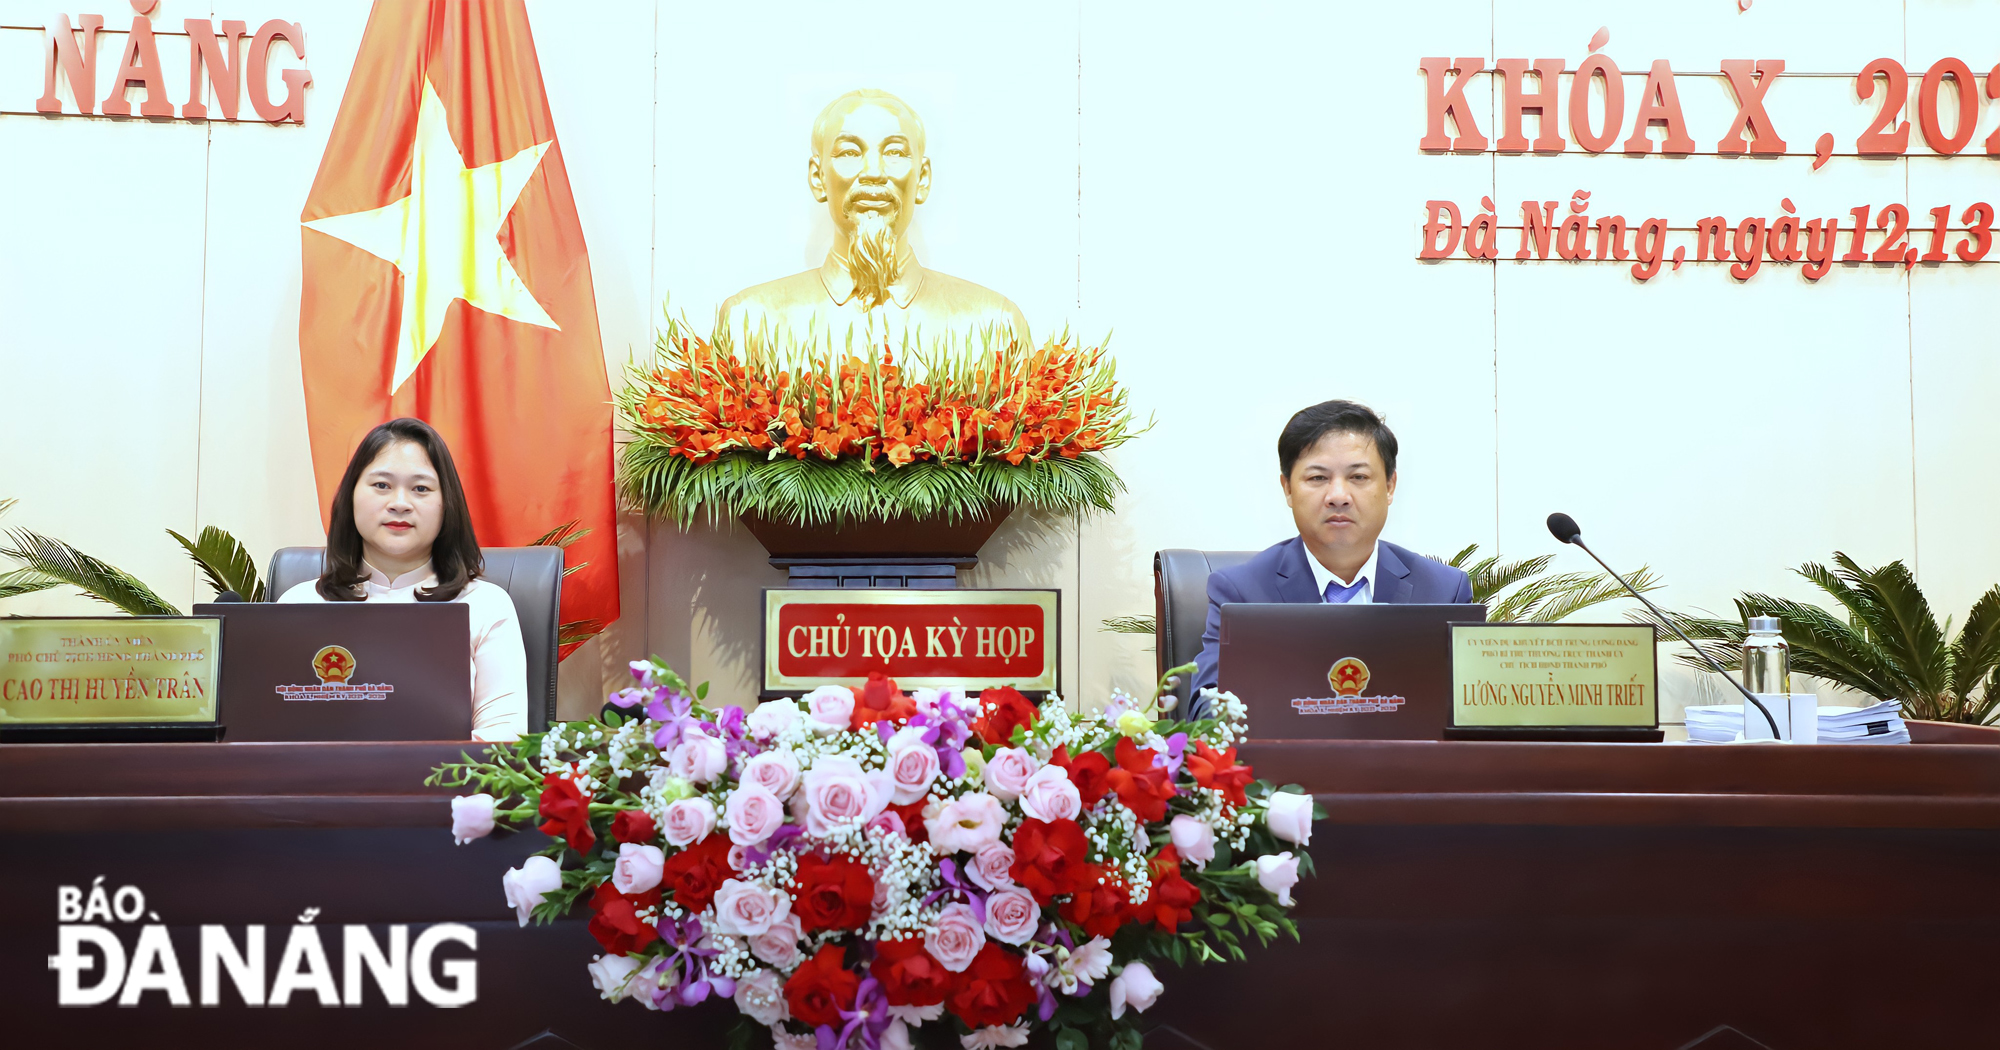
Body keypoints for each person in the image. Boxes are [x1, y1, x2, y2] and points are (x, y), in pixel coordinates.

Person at [1187, 400, 1474, 719]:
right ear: (1288, 489)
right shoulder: (1240, 592)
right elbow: (1207, 708)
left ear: (1390, 486)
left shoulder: (1443, 591)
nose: (1338, 495)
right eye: (1318, 478)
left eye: (1359, 477)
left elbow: (1470, 713)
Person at [716, 88, 1031, 351]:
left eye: (894, 153)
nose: (874, 172)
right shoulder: (751, 324)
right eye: (850, 153)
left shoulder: (994, 328)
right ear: (817, 178)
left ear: (922, 179)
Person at [277, 417, 527, 741]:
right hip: (319, 789)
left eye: (420, 489)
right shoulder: (299, 605)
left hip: (447, 789)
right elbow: (273, 734)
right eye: (381, 485)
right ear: (351, 496)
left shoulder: (483, 605)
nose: (399, 504)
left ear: (446, 504)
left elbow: (503, 739)